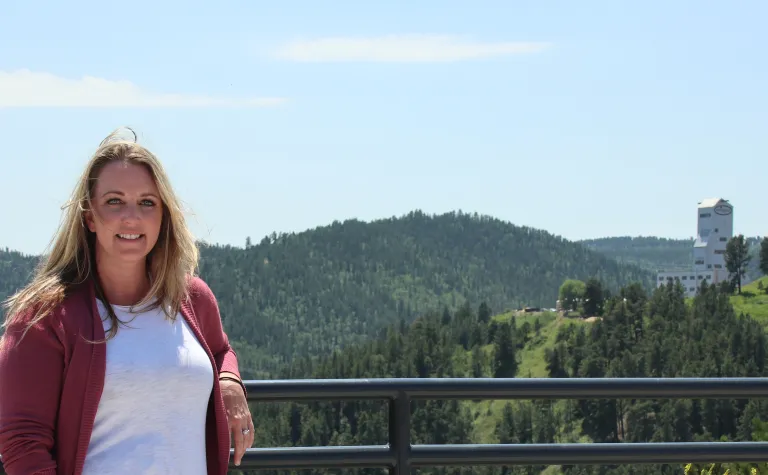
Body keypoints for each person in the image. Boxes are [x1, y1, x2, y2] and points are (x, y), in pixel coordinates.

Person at [0, 127, 254, 475]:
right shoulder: (44, 318)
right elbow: (23, 444)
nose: (131, 216)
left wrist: (229, 382)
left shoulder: (192, 298)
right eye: (114, 201)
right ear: (89, 216)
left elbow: (220, 351)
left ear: (163, 215)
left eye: (147, 203)